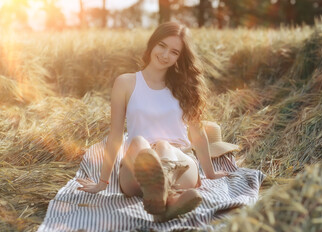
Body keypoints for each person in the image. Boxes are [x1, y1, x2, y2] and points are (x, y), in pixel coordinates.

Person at [76, 21, 229, 221]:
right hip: (136, 168)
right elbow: (115, 136)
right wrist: (102, 182)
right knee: (139, 142)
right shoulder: (125, 83)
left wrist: (210, 174)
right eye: (162, 46)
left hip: (180, 164)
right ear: (152, 44)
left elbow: (198, 135)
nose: (165, 55)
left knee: (165, 146)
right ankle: (168, 200)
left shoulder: (186, 87)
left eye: (174, 52)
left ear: (179, 58)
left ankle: (160, 198)